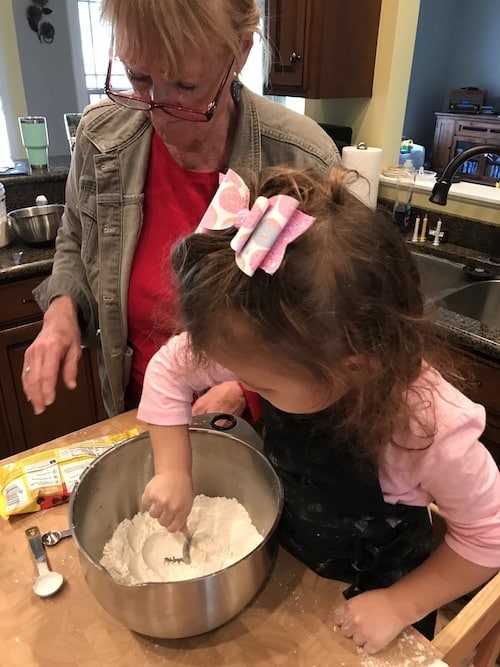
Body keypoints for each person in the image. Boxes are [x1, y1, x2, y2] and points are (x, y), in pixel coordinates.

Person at [137, 166, 500, 655]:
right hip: (292, 572)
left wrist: (399, 605)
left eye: (259, 384)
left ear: (352, 367)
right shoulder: (283, 344)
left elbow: (487, 537)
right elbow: (169, 370)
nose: (246, 387)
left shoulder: (427, 431)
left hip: (378, 607)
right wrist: (173, 470)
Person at [21, 0, 340, 418]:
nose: (160, 116)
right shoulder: (101, 139)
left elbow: (328, 323)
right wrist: (62, 308)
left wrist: (248, 392)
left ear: (240, 52)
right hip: (135, 416)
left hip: (262, 441)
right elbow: (77, 239)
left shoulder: (303, 161)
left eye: (185, 87)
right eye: (138, 77)